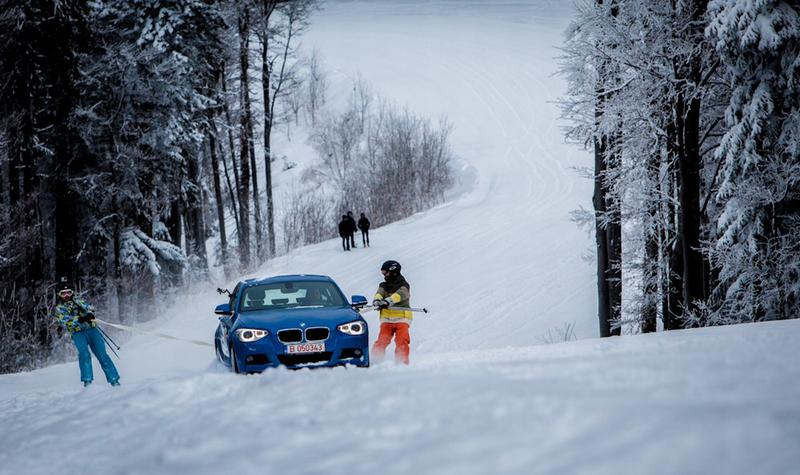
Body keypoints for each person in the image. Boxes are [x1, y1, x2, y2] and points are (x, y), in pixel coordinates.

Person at [53, 279, 120, 387]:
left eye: (68, 292)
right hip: (78, 333)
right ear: (59, 295)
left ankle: (114, 380)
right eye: (63, 293)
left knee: (102, 355)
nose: (66, 295)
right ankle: (87, 381)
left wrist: (89, 314)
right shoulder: (60, 308)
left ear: (72, 292)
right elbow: (64, 320)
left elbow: (91, 309)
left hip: (92, 331)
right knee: (84, 355)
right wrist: (79, 319)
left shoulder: (79, 301)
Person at [371, 260, 412, 364]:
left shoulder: (404, 285)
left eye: (386, 273)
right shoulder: (384, 285)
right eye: (383, 273)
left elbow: (399, 295)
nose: (384, 275)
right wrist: (377, 300)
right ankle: (375, 360)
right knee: (382, 340)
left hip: (402, 318)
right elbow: (379, 293)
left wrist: (387, 301)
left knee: (402, 340)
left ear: (393, 271)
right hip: (387, 319)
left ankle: (402, 362)